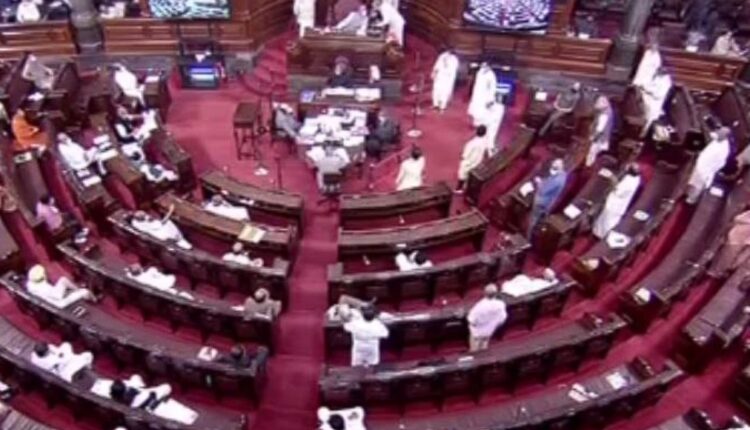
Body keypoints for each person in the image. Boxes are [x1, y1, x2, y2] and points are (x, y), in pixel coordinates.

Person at [592, 164, 641, 239]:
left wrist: (611, 177)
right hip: (614, 204)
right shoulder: (635, 177)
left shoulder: (630, 183)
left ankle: (603, 238)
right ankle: (596, 234)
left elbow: (617, 190)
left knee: (608, 224)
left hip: (615, 206)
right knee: (602, 221)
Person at [686, 127, 731, 204]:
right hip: (701, 164)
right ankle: (688, 195)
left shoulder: (724, 149)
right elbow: (713, 135)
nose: (719, 134)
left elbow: (720, 163)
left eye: (721, 133)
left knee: (698, 186)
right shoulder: (718, 140)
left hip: (706, 170)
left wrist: (711, 168)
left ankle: (691, 200)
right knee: (693, 182)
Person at [528, 158, 568, 237]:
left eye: (555, 164)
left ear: (561, 166)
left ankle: (528, 237)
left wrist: (539, 181)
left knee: (533, 221)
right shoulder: (562, 174)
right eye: (554, 163)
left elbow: (543, 190)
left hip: (542, 202)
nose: (553, 165)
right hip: (547, 201)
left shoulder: (557, 180)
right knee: (537, 220)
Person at [26, 264, 94, 308]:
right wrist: (66, 293)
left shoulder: (30, 284)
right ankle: (94, 300)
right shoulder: (44, 288)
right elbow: (58, 297)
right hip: (60, 303)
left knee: (63, 279)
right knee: (85, 291)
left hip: (51, 295)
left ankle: (77, 290)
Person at [466, 283, 507, 352]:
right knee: (484, 342)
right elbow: (502, 318)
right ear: (496, 294)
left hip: (477, 330)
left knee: (475, 345)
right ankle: (483, 352)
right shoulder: (500, 304)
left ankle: (474, 352)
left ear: (484, 293)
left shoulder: (479, 306)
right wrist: (494, 324)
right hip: (489, 329)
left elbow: (471, 320)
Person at [711, 210, 750, 276]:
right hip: (739, 236)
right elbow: (739, 219)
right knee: (728, 256)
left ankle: (718, 272)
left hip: (740, 236)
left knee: (734, 257)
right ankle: (717, 272)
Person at [640, 67, 673, 135]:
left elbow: (658, 94)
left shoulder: (666, 81)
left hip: (655, 103)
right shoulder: (657, 76)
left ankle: (643, 133)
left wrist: (646, 89)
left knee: (648, 119)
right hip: (649, 100)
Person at [455, 125, 489, 193]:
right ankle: (467, 187)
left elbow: (465, 154)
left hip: (468, 162)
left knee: (462, 174)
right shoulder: (485, 142)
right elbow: (486, 152)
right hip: (477, 162)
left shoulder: (472, 143)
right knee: (471, 176)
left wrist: (462, 158)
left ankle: (459, 188)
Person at [587, 95, 614, 167]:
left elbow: (599, 129)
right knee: (593, 155)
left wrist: (593, 137)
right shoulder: (608, 110)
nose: (595, 105)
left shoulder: (604, 114)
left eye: (597, 103)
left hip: (599, 140)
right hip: (602, 139)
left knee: (591, 155)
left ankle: (589, 167)